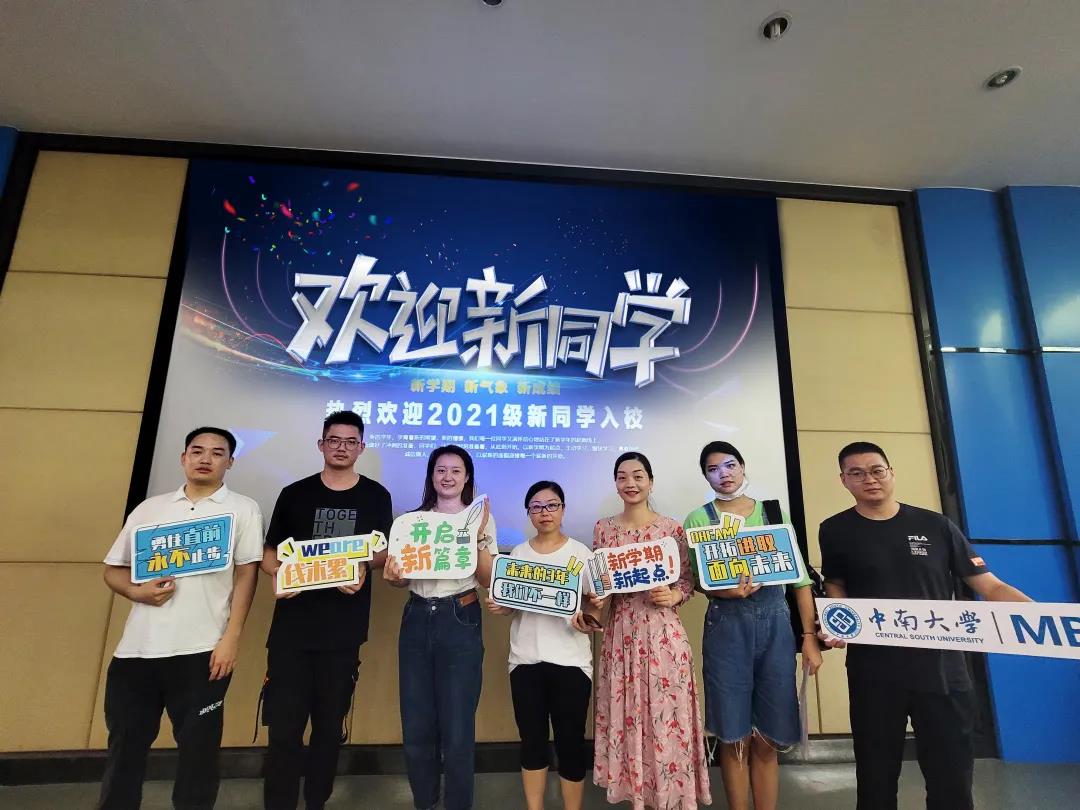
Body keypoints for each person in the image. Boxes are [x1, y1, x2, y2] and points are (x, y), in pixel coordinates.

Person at [819, 441, 1032, 810]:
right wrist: (838, 620)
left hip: (942, 670)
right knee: (875, 777)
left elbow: (990, 585)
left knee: (952, 777)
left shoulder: (936, 525)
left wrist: (1043, 617)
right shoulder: (835, 529)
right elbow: (836, 583)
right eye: (857, 473)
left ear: (891, 473)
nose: (869, 479)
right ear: (844, 480)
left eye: (877, 470)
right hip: (874, 671)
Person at [99, 427, 263, 810]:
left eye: (217, 453)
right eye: (197, 450)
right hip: (136, 651)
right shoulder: (149, 509)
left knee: (198, 754)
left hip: (202, 650)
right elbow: (113, 570)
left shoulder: (243, 508)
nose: (205, 459)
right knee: (124, 747)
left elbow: (246, 575)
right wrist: (137, 592)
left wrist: (231, 638)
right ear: (183, 457)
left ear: (230, 462)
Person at [258, 410, 392, 810]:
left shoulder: (376, 496)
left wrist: (363, 566)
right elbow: (269, 552)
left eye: (350, 442)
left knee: (329, 729)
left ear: (361, 447)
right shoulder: (294, 493)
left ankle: (316, 801)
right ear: (321, 444)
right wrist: (280, 575)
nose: (341, 448)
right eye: (334, 440)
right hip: (291, 632)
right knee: (283, 731)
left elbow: (383, 552)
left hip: (342, 633)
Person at [683, 441, 822, 810]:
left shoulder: (773, 513)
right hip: (727, 629)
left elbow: (800, 580)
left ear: (743, 467)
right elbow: (698, 580)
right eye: (713, 469)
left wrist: (809, 637)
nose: (723, 474)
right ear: (705, 477)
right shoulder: (698, 520)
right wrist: (726, 591)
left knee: (768, 735)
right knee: (733, 736)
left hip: (776, 627)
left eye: (730, 465)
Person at [591, 451, 711, 810]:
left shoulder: (671, 529)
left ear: (651, 482)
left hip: (663, 636)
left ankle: (671, 797)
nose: (630, 483)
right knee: (628, 716)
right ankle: (637, 798)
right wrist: (596, 598)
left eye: (638, 476)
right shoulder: (603, 529)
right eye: (623, 477)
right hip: (621, 635)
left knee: (666, 718)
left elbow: (687, 581)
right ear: (616, 484)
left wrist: (674, 595)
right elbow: (601, 584)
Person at [383, 444, 496, 810]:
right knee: (416, 723)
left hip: (460, 615)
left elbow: (486, 578)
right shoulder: (412, 522)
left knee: (458, 727)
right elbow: (401, 579)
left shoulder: (480, 518)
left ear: (467, 477)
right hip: (417, 616)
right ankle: (425, 802)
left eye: (455, 471)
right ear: (431, 476)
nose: (448, 477)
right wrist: (394, 577)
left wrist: (477, 536)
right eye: (440, 470)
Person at [486, 481, 599, 810]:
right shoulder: (518, 554)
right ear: (529, 514)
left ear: (563, 509)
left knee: (570, 744)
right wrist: (503, 607)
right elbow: (513, 604)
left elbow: (594, 606)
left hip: (571, 663)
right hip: (526, 661)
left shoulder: (581, 554)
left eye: (551, 505)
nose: (544, 512)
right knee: (532, 742)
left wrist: (589, 618)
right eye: (536, 507)